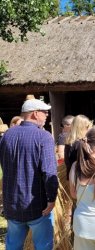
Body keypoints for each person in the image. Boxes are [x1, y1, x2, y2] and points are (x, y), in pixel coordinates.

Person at [0, 98, 59, 250]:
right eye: (45, 112)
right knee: (43, 246)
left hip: (12, 203)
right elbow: (49, 172)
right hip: (37, 205)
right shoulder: (43, 136)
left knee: (13, 246)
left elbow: (4, 165)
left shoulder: (7, 135)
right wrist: (52, 199)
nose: (47, 115)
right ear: (34, 114)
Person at [64, 114, 93, 180]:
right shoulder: (80, 144)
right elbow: (88, 162)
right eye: (87, 126)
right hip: (80, 179)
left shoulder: (70, 142)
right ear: (81, 128)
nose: (89, 128)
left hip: (72, 177)